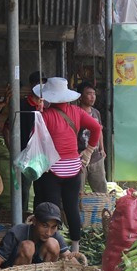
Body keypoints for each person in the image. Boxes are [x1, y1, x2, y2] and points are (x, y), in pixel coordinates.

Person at [32, 77, 102, 254]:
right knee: (71, 207)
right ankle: (75, 248)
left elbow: (35, 140)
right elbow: (97, 128)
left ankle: (57, 249)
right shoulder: (77, 112)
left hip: (52, 169)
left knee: (53, 211)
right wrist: (88, 152)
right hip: (74, 168)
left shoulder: (45, 115)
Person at [0, 202, 75, 271]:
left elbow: (69, 258)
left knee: (53, 244)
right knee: (28, 246)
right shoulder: (16, 233)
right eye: (45, 226)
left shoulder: (54, 235)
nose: (48, 233)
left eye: (53, 227)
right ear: (34, 221)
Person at [18, 71, 46, 212]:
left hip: (42, 155)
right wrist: (13, 149)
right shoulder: (22, 105)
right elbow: (7, 127)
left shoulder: (47, 107)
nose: (41, 86)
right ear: (31, 85)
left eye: (43, 83)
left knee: (41, 189)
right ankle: (22, 218)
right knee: (24, 189)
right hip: (26, 153)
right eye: (38, 83)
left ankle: (39, 217)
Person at [75, 82, 107, 193]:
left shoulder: (96, 113)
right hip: (80, 158)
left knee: (101, 190)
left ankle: (103, 210)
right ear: (80, 96)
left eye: (94, 94)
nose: (92, 97)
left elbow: (99, 131)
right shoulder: (76, 113)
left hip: (96, 158)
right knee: (78, 192)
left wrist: (102, 149)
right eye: (89, 94)